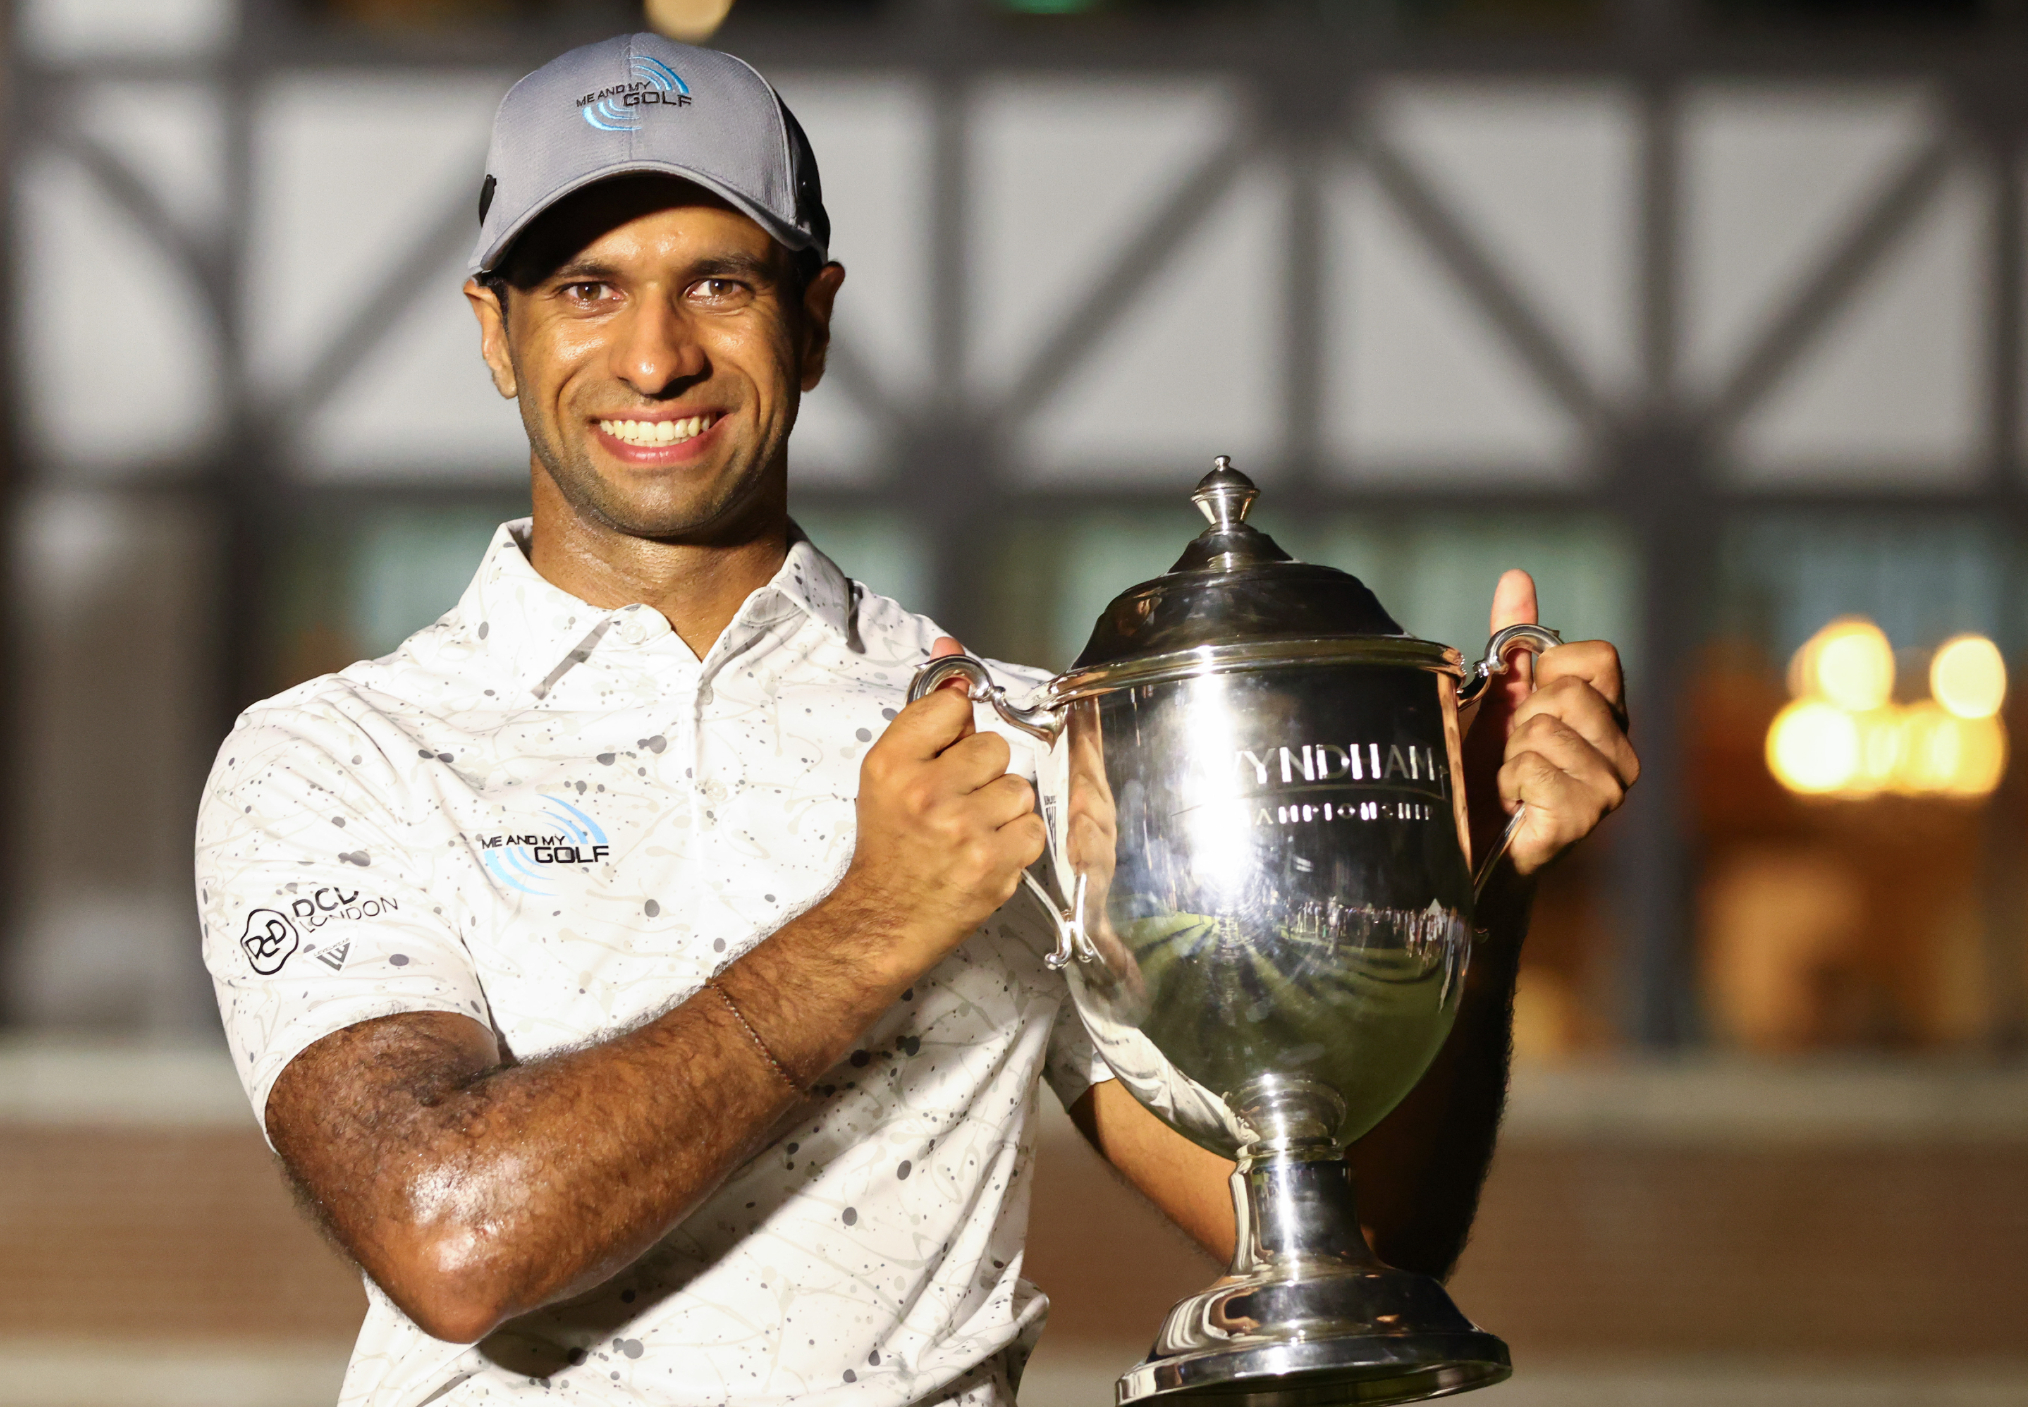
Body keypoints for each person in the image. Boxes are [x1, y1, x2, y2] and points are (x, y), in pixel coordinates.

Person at [196, 32, 1636, 1407]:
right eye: (586, 287)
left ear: (812, 323)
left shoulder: (1016, 738)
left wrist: (1465, 881)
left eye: (718, 285)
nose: (653, 357)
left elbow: (1349, 1245)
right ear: (495, 335)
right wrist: (881, 916)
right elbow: (451, 1239)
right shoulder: (335, 755)